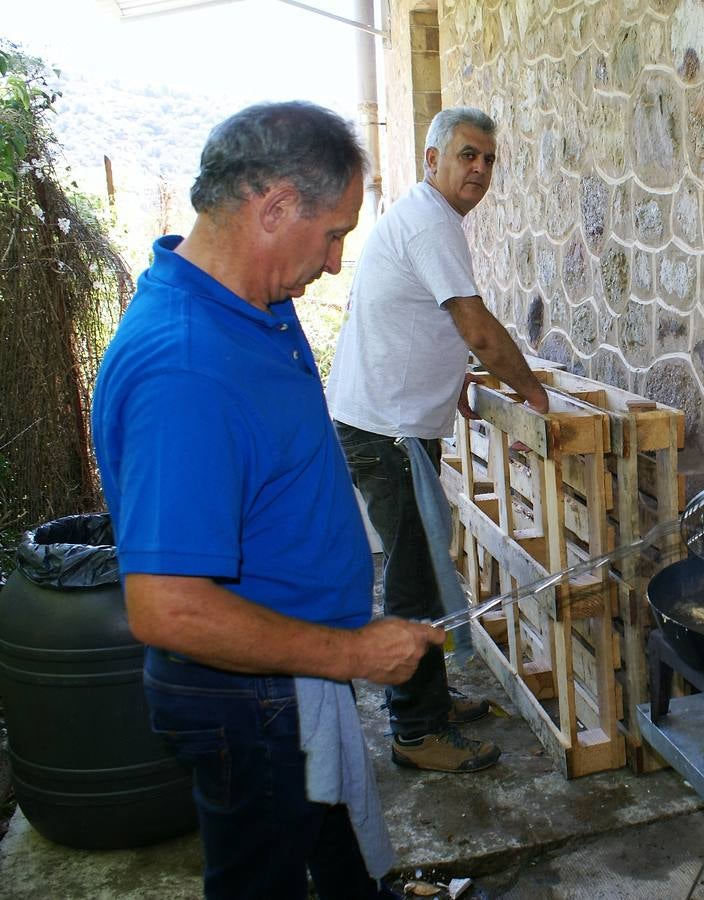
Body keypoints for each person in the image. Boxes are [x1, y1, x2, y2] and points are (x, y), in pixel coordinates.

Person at [91, 101, 443, 900]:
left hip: (291, 674)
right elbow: (168, 609)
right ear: (275, 207)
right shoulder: (185, 369)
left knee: (331, 849)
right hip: (244, 695)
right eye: (332, 234)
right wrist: (357, 655)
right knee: (261, 879)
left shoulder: (256, 305)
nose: (334, 261)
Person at [326, 106, 548, 774]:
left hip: (386, 424)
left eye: (487, 159)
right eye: (466, 155)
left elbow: (425, 323)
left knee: (420, 566)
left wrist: (453, 380)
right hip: (387, 433)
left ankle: (429, 700)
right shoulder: (430, 222)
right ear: (432, 160)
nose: (478, 168)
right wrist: (531, 393)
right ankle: (417, 732)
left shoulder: (427, 217)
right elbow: (475, 326)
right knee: (415, 581)